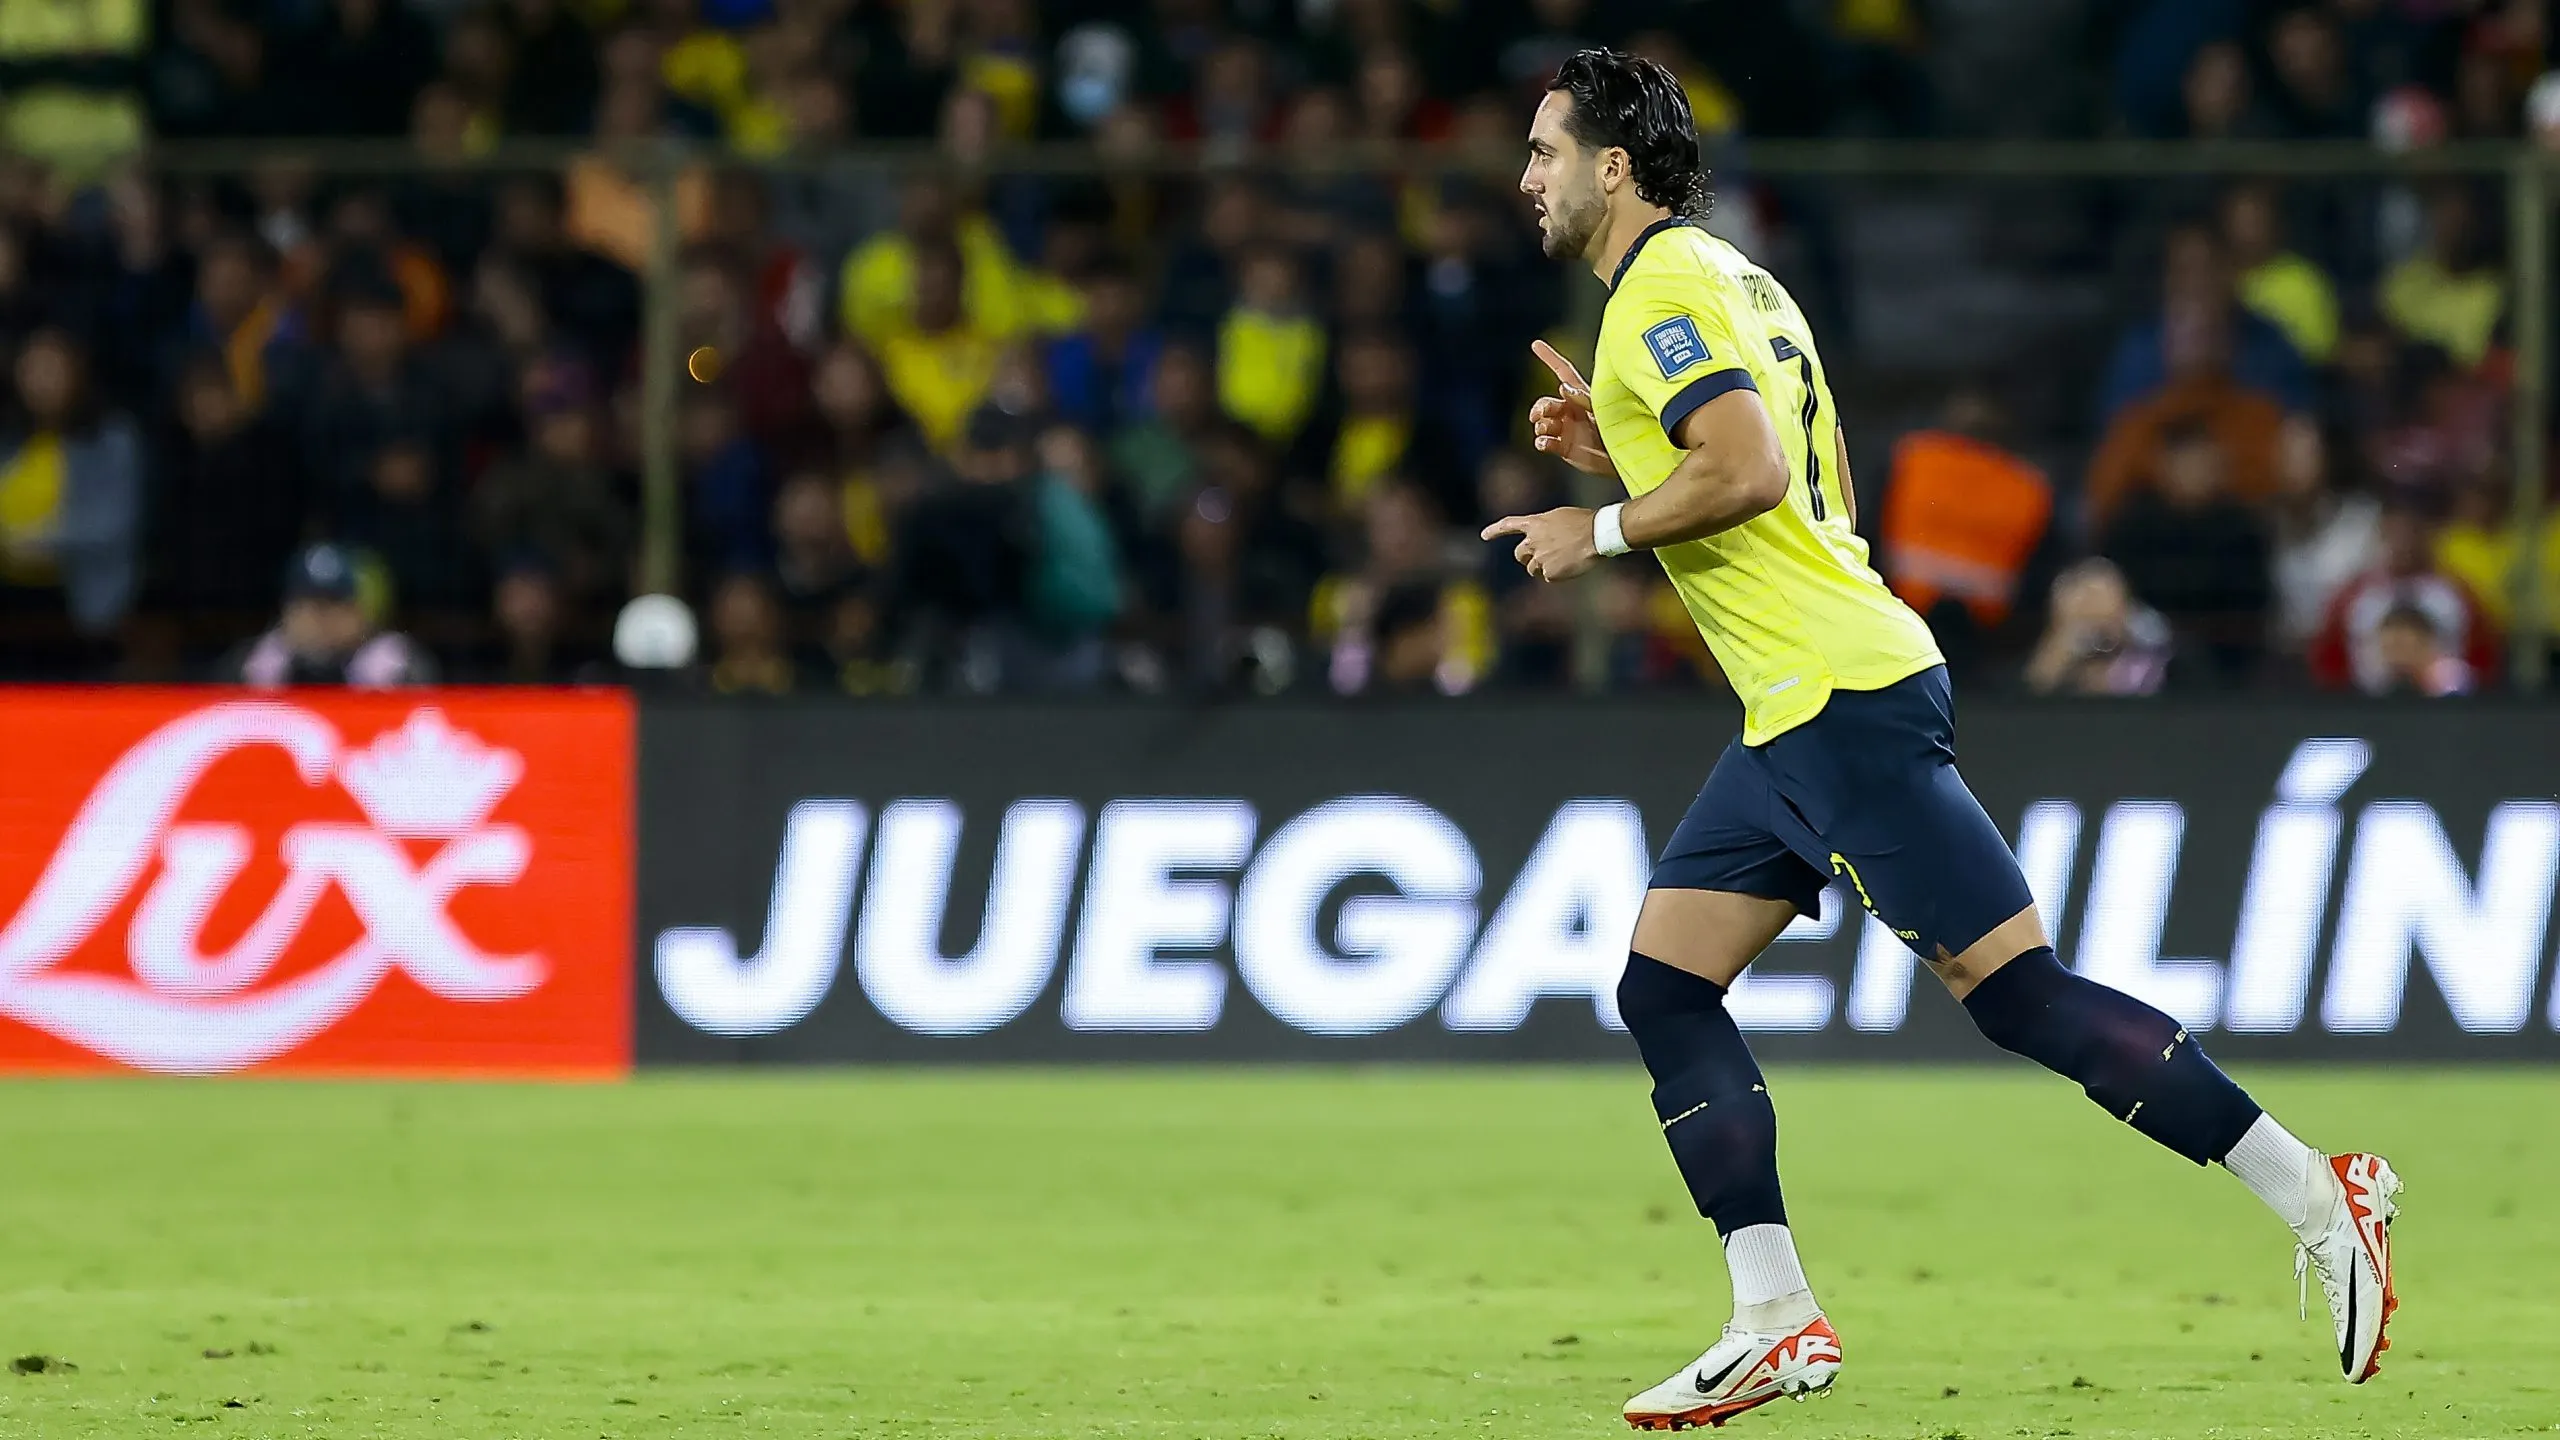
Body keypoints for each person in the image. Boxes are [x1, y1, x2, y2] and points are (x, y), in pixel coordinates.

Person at [1485, 49, 2399, 1430]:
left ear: (1613, 166)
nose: (1526, 175)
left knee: (2020, 999)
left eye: (1547, 150)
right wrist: (1617, 453)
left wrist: (1598, 525)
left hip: (1834, 701)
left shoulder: (1660, 293)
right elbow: (1767, 481)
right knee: (1665, 985)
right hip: (1800, 709)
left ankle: (2316, 1194)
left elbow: (1748, 472)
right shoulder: (1734, 277)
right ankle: (1774, 1312)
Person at [229, 542, 435, 687]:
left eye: (335, 603)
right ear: (286, 612)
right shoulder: (255, 664)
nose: (321, 619)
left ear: (359, 612)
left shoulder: (395, 665)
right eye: (307, 604)